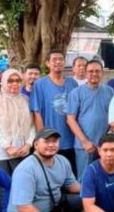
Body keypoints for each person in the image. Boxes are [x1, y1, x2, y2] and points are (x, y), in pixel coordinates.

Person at [7, 128, 82, 212]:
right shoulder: (26, 169)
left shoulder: (62, 161)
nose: (51, 145)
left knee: (82, 200)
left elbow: (72, 186)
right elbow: (23, 207)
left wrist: (94, 191)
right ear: (36, 144)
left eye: (55, 141)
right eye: (46, 141)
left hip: (52, 208)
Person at [30, 48, 79, 176]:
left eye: (61, 59)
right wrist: (42, 138)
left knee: (70, 175)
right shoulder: (40, 84)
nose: (58, 62)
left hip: (71, 140)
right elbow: (37, 113)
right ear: (47, 63)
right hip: (50, 141)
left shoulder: (73, 84)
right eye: (54, 59)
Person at [66, 58, 114, 179]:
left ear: (102, 73)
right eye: (91, 71)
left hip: (104, 145)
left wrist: (107, 139)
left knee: (105, 177)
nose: (94, 74)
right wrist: (84, 141)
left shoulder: (110, 91)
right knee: (85, 178)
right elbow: (70, 119)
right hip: (83, 146)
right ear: (86, 73)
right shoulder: (76, 93)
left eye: (97, 71)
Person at [0, 68, 35, 176]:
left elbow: (32, 125)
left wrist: (28, 144)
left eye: (18, 80)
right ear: (4, 82)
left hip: (22, 152)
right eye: (10, 81)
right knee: (2, 190)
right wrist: (7, 146)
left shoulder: (25, 100)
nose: (14, 83)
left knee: (21, 186)